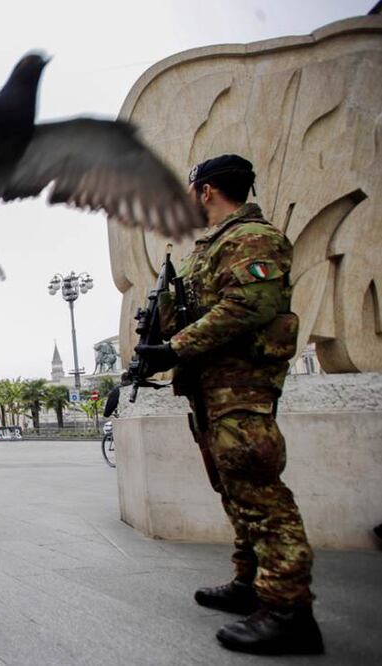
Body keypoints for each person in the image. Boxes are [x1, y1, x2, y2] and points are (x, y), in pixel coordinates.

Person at [134, 155, 322, 655]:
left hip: (241, 383)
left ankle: (289, 609)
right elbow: (202, 308)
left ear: (207, 190)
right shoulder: (211, 246)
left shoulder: (253, 237)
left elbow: (249, 306)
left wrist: (174, 348)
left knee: (259, 490)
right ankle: (250, 584)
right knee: (234, 487)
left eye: (191, 189)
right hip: (214, 385)